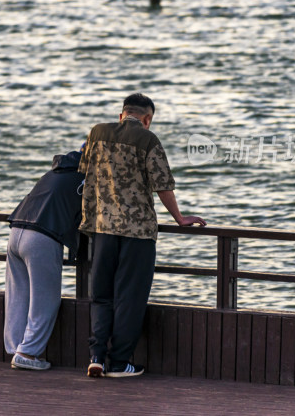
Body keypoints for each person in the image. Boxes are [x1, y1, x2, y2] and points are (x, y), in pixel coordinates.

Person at [79, 93, 206, 378]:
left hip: (102, 230)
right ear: (146, 119)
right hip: (137, 234)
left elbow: (85, 173)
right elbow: (163, 186)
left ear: (122, 113)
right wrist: (180, 218)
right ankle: (119, 363)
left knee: (101, 296)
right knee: (130, 298)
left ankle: (96, 356)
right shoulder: (149, 140)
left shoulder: (97, 133)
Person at [4, 148, 85, 371]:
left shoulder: (53, 173)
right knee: (46, 299)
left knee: (18, 294)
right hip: (42, 236)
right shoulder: (85, 179)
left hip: (16, 230)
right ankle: (27, 353)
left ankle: (15, 348)